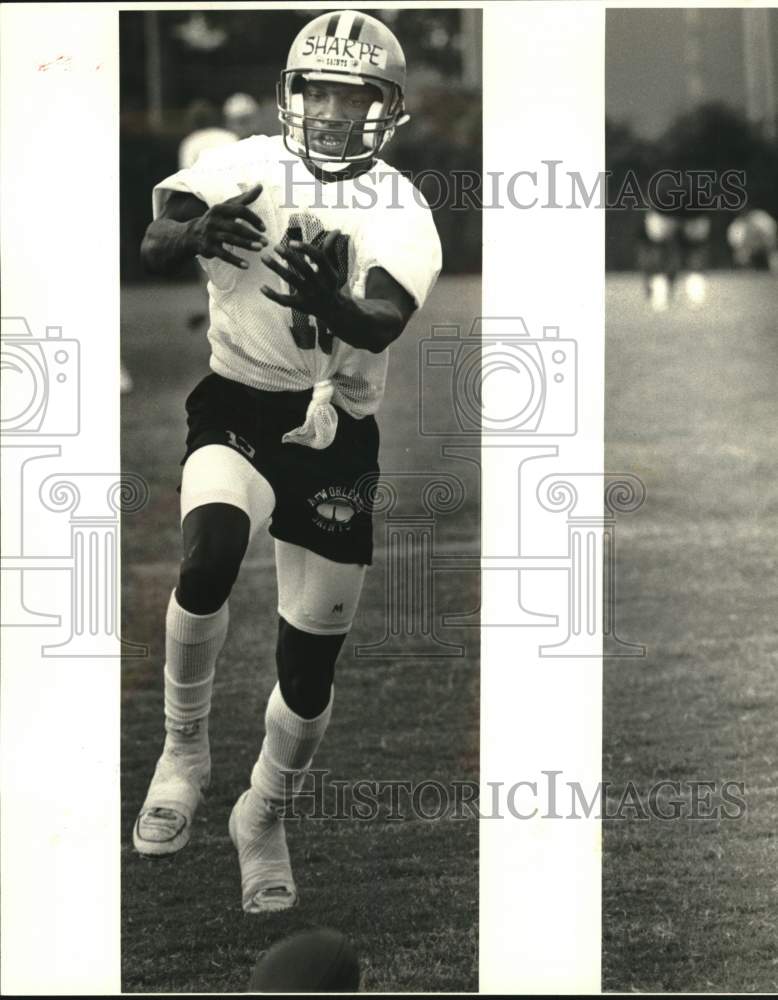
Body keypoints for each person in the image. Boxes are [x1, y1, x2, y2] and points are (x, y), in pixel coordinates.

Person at [132, 9, 442, 917]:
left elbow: (382, 319)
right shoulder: (245, 164)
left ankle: (262, 815)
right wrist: (189, 237)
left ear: (384, 108)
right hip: (239, 399)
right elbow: (155, 239)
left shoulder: (400, 205)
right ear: (293, 95)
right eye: (321, 90)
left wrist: (330, 305)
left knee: (308, 669)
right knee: (208, 558)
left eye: (356, 94)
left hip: (337, 428)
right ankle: (183, 749)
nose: (336, 109)